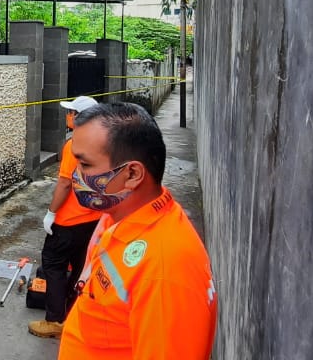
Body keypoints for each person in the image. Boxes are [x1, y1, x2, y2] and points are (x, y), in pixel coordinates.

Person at [58, 102, 217, 359]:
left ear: (132, 174)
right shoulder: (120, 218)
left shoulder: (165, 271)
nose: (75, 176)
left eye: (85, 166)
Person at [28, 95, 104, 339]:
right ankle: (73, 311)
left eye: (71, 112)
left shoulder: (74, 146)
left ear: (81, 118)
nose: (67, 116)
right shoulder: (105, 142)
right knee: (80, 266)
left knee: (53, 265)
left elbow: (64, 183)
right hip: (93, 219)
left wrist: (51, 213)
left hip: (69, 220)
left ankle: (54, 321)